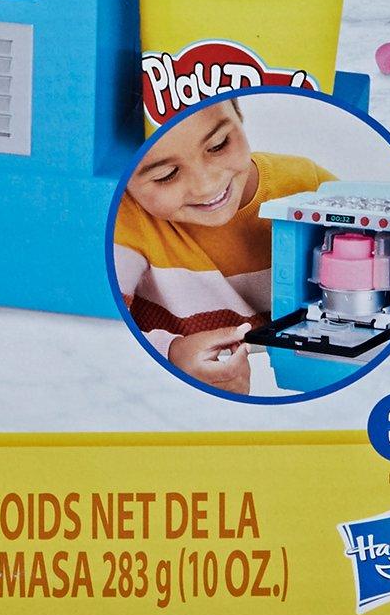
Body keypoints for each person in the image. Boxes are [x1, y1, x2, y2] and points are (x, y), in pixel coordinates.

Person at [112, 99, 333, 396]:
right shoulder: (123, 217)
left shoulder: (309, 185)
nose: (207, 185)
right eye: (166, 175)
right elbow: (104, 336)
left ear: (238, 112)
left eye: (218, 145)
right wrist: (172, 353)